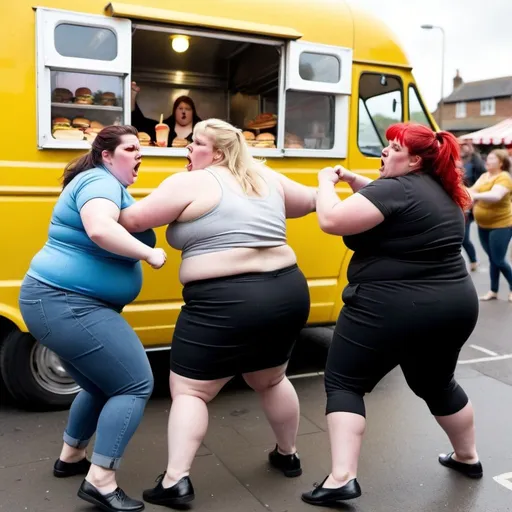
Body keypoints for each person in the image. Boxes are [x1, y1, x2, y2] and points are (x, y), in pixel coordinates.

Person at [118, 118, 316, 507]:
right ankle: (288, 455)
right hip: (286, 291)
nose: (187, 149)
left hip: (225, 300)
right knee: (272, 379)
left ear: (219, 153)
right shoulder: (264, 177)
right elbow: (310, 201)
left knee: (191, 390)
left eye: (196, 144)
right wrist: (333, 180)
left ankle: (176, 480)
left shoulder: (192, 181)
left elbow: (134, 220)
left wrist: (98, 198)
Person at [301, 123, 482, 507]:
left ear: (414, 160)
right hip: (453, 306)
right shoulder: (445, 191)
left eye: (393, 147)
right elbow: (391, 203)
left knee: (345, 382)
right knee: (437, 383)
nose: (384, 152)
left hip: (389, 306)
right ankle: (468, 457)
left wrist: (324, 182)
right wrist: (354, 180)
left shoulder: (396, 188)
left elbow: (332, 220)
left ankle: (341, 478)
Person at [18, 125, 167, 512]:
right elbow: (100, 228)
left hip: (61, 302)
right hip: (66, 302)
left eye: (141, 149)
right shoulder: (98, 183)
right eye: (131, 148)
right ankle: (101, 480)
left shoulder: (103, 182)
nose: (140, 155)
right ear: (106, 155)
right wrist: (149, 254)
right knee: (135, 383)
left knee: (102, 384)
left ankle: (71, 457)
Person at [468, 149, 512, 302]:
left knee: (498, 259)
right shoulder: (484, 176)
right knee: (493, 259)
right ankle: (493, 291)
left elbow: (496, 196)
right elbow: (471, 190)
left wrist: (475, 196)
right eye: (488, 157)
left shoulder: (504, 177)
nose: (487, 160)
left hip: (501, 224)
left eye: (492, 158)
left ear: (501, 162)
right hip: (483, 224)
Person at [130, 82, 201, 146]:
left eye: (187, 109)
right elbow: (139, 122)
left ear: (193, 112)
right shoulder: (163, 128)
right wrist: (132, 96)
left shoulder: (201, 131)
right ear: (174, 111)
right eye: (180, 108)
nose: (183, 112)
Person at [459, 140, 486, 271]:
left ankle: (473, 260)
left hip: (468, 205)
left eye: (466, 146)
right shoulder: (457, 162)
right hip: (455, 204)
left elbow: (481, 178)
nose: (463, 148)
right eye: (461, 146)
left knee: (464, 237)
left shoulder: (475, 163)